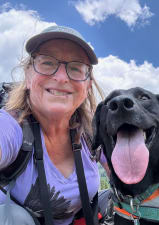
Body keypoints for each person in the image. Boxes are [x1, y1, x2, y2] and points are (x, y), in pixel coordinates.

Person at [0, 25, 107, 225]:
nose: (61, 77)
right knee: (15, 219)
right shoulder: (11, 125)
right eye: (48, 63)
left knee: (113, 199)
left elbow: (131, 176)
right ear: (29, 76)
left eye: (75, 67)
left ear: (88, 84)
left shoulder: (93, 132)